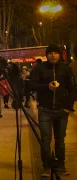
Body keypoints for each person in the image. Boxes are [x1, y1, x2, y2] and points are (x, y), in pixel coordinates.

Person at [31, 44, 75, 177]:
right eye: (51, 53)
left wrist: (68, 107)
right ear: (47, 55)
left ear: (60, 55)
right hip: (45, 110)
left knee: (60, 140)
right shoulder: (40, 68)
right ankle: (47, 166)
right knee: (45, 139)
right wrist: (46, 87)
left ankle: (61, 165)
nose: (53, 55)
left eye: (56, 53)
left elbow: (73, 88)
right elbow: (31, 84)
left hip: (62, 111)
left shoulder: (66, 68)